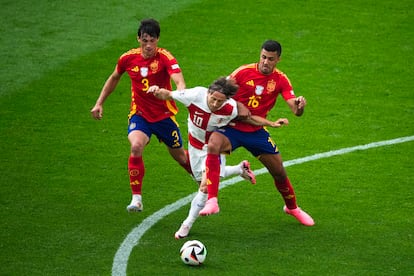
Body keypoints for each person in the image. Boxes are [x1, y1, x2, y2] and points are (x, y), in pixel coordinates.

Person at [148, 77, 289, 238]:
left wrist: (271, 123)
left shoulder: (231, 108)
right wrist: (156, 91)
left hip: (214, 148)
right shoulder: (194, 95)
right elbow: (168, 94)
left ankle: (186, 224)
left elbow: (249, 119)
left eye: (220, 101)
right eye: (213, 99)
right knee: (200, 178)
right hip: (195, 147)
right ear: (208, 92)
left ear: (227, 100)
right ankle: (239, 169)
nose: (215, 104)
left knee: (205, 187)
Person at [198, 40, 315, 226]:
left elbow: (295, 110)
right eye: (263, 57)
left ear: (278, 59)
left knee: (279, 172)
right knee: (213, 144)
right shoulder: (243, 72)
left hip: (256, 131)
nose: (265, 62)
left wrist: (300, 107)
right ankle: (212, 200)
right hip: (232, 128)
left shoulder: (281, 80)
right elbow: (220, 91)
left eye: (270, 59)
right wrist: (234, 105)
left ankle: (292, 208)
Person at [90, 18, 192, 212]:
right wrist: (99, 103)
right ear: (138, 39)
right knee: (136, 146)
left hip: (164, 116)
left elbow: (180, 81)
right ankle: (136, 199)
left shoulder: (165, 57)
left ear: (158, 40)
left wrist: (178, 94)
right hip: (140, 115)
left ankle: (201, 180)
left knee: (181, 158)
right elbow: (114, 78)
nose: (148, 45)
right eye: (144, 40)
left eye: (152, 41)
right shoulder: (128, 59)